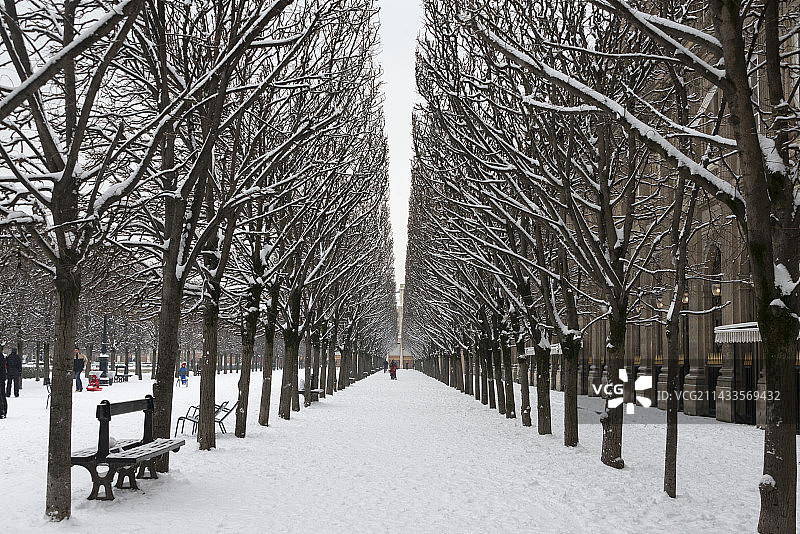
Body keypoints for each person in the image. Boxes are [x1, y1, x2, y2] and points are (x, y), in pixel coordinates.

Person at [0, 350, 7, 418]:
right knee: (2, 395)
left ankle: (2, 412)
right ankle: (4, 411)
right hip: (2, 378)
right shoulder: (2, 356)